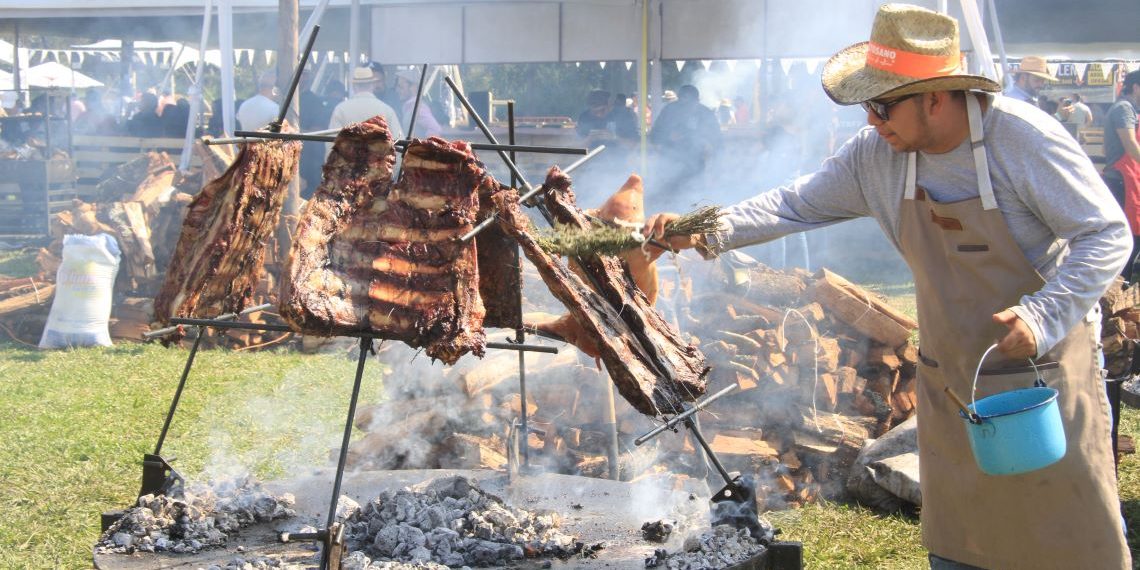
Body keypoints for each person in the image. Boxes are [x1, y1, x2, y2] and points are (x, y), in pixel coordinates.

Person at [644, 5, 1130, 569]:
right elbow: (792, 204)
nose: (872, 121)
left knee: (1066, 541)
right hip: (952, 387)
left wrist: (1044, 316)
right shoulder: (877, 157)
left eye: (882, 103)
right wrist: (702, 230)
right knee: (961, 544)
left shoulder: (1021, 140)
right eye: (866, 106)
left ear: (935, 95)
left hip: (1040, 384)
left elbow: (1105, 233)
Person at [648, 84, 721, 200]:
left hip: (696, 166)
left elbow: (718, 141)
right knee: (669, 198)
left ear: (697, 100)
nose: (688, 107)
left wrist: (707, 144)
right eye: (683, 103)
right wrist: (668, 137)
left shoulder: (705, 113)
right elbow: (654, 136)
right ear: (679, 99)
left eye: (691, 103)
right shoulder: (669, 111)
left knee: (694, 200)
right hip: (670, 164)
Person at [1104, 70, 1140, 280]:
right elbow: (1131, 146)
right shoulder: (1124, 109)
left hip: (1128, 178)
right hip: (1122, 180)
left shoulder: (1130, 109)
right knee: (1127, 237)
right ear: (1135, 87)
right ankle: (1120, 284)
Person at [328, 67, 404, 154]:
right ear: (372, 85)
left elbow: (331, 145)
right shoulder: (386, 110)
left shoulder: (340, 110)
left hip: (349, 166)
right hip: (378, 166)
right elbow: (399, 144)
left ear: (354, 86)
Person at [395, 68, 442, 138]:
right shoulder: (412, 106)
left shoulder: (418, 107)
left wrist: (423, 146)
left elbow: (435, 129)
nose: (397, 90)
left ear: (413, 87)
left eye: (401, 87)